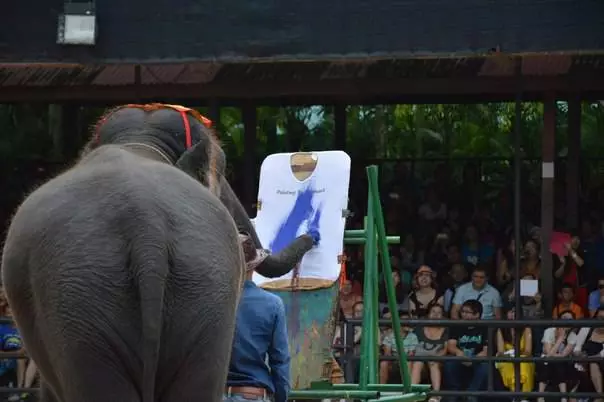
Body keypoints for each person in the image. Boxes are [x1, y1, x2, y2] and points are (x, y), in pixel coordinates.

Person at [224, 230, 320, 402]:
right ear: (254, 266)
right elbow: (280, 361)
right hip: (253, 395)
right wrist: (281, 397)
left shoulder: (213, 302)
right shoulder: (271, 304)